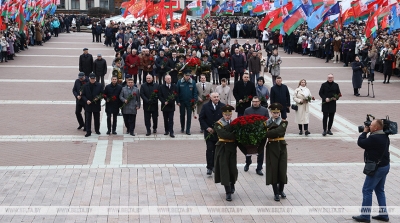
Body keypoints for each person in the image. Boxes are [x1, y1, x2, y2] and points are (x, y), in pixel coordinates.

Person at [352, 119, 390, 223]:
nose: (369, 127)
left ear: (376, 128)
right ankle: (384, 214)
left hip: (376, 168)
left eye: (371, 125)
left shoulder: (374, 138)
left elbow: (361, 142)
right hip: (385, 166)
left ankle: (365, 215)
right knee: (379, 190)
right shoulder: (385, 135)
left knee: (367, 190)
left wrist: (364, 132)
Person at [264, 103, 288, 201]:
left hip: (281, 146)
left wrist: (266, 133)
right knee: (273, 169)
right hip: (271, 147)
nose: (276, 114)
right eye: (274, 112)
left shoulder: (283, 122)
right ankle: (276, 192)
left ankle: (281, 189)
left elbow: (279, 131)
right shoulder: (266, 123)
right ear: (271, 112)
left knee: (282, 169)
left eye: (277, 112)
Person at [213, 105, 238, 201]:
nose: (228, 116)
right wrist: (235, 135)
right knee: (224, 169)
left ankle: (232, 184)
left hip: (232, 148)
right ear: (223, 114)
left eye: (229, 114)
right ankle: (227, 191)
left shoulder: (234, 123)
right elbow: (223, 134)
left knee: (232, 169)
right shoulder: (218, 124)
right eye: (226, 115)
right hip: (222, 148)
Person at [199, 92, 225, 176]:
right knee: (210, 150)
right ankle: (209, 167)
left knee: (218, 150)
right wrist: (207, 128)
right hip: (209, 133)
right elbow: (201, 118)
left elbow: (226, 118)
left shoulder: (223, 106)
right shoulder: (205, 106)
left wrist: (220, 127)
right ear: (211, 98)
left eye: (217, 97)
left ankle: (216, 166)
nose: (216, 98)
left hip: (219, 132)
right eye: (215, 97)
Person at [243, 96, 269, 176]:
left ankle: (259, 168)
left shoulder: (264, 110)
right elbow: (244, 121)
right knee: (249, 150)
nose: (255, 103)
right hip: (250, 134)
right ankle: (248, 163)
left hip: (261, 134)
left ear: (259, 102)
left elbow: (267, 121)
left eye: (256, 101)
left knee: (260, 151)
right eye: (253, 101)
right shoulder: (247, 110)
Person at [81, 73, 104, 137]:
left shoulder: (99, 85)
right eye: (91, 79)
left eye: (94, 79)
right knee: (88, 119)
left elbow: (102, 94)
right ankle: (88, 131)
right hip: (88, 105)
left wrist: (98, 98)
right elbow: (83, 95)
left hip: (96, 104)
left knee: (97, 118)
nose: (93, 80)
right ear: (89, 79)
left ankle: (97, 130)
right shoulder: (85, 86)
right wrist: (86, 100)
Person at [176, 70, 198, 135]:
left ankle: (188, 129)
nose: (187, 77)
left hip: (190, 102)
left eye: (188, 75)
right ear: (184, 75)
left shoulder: (193, 82)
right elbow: (177, 92)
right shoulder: (179, 82)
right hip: (182, 102)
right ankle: (182, 127)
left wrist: (194, 102)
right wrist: (178, 101)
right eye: (186, 75)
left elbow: (195, 93)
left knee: (189, 116)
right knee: (182, 115)